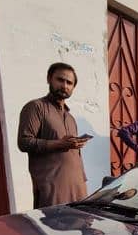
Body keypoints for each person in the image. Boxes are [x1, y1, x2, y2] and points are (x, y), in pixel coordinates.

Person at [18, 62, 91, 207]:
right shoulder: (36, 107)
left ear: (73, 87)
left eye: (69, 83)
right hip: (52, 189)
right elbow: (24, 142)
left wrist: (82, 181)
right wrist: (59, 144)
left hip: (77, 188)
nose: (64, 86)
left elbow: (76, 155)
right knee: (53, 228)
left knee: (80, 226)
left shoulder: (70, 118)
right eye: (60, 80)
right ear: (49, 79)